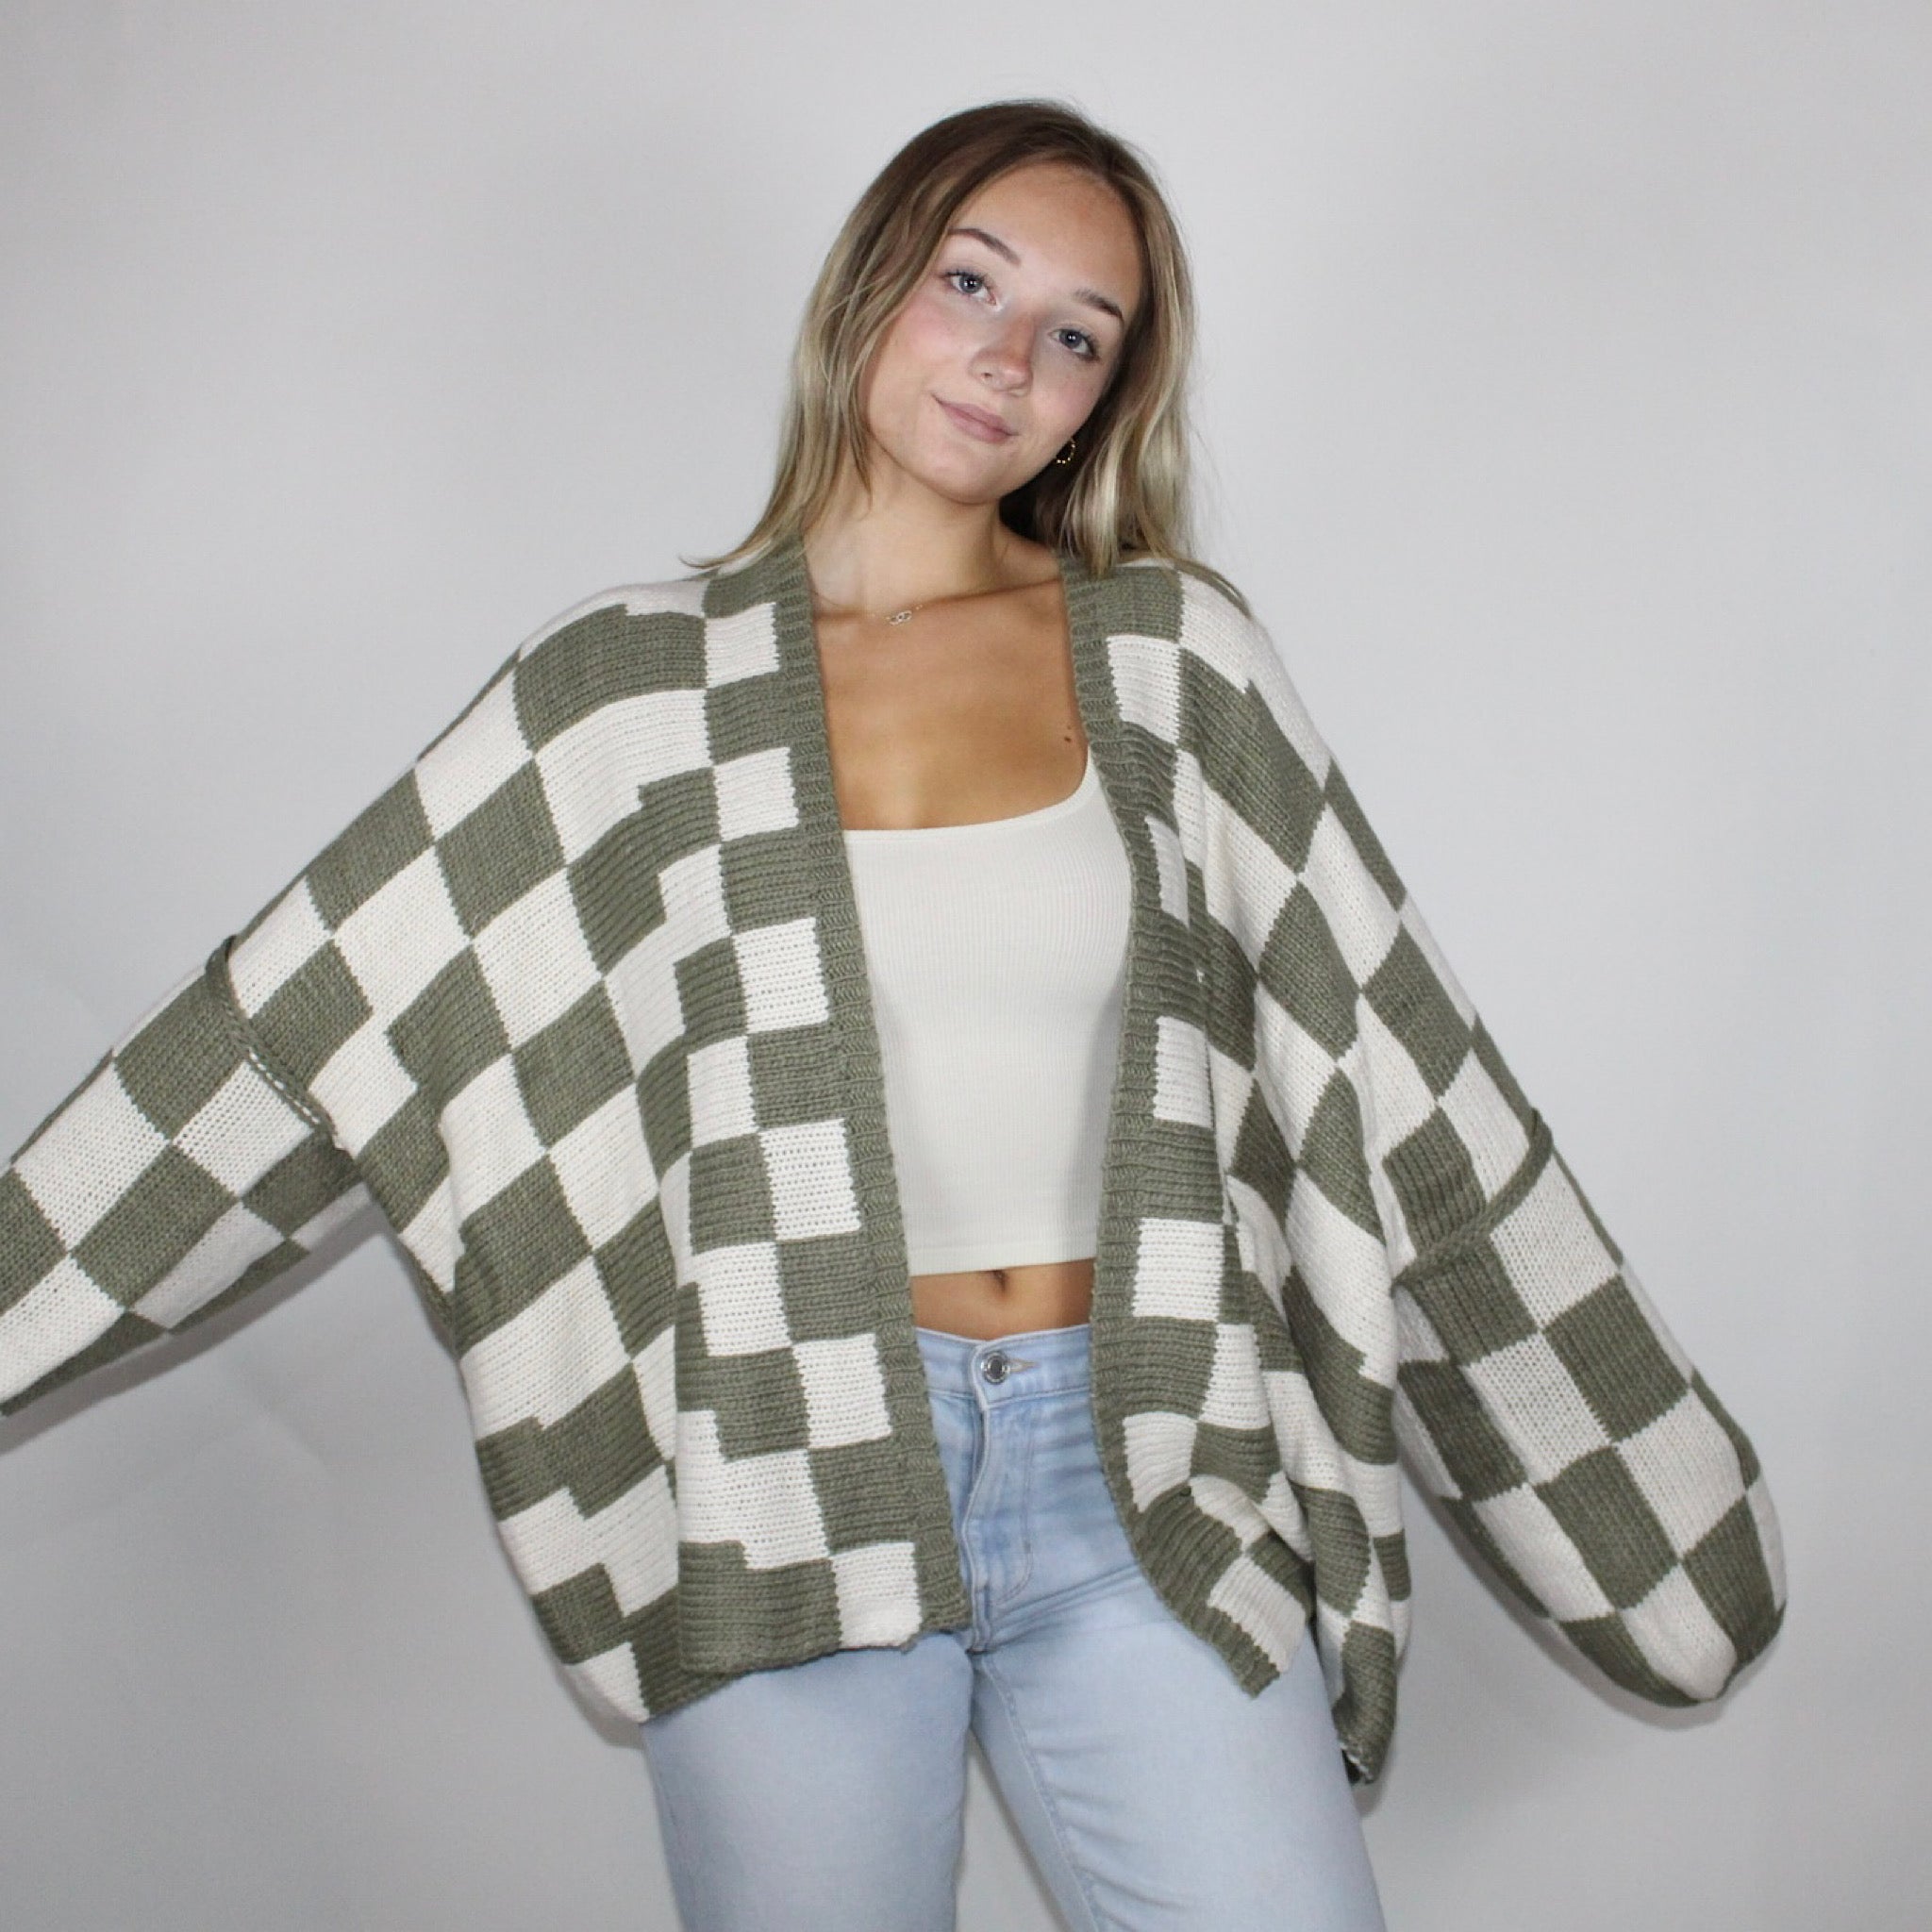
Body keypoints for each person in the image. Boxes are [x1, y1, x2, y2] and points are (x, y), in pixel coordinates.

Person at [0, 99, 1785, 1932]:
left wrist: (1647, 1515)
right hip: (782, 1474)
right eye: (972, 283)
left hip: (1151, 1472)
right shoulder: (621, 697)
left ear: (1104, 401)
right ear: (872, 283)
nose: (1009, 359)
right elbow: (286, 1046)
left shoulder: (1177, 662)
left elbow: (1400, 1080)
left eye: (1077, 334)